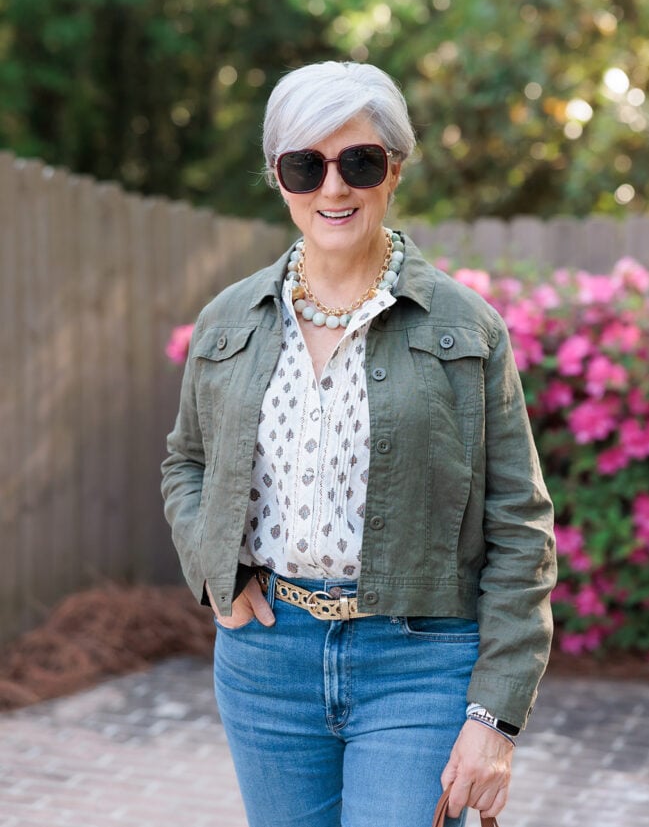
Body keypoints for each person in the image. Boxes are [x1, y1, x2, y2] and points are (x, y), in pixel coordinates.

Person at [161, 61, 556, 827]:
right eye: (306, 165)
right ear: (279, 176)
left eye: (360, 162)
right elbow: (188, 462)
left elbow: (520, 524)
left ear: (395, 171)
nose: (333, 188)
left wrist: (495, 718)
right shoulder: (228, 321)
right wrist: (217, 572)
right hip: (266, 662)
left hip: (421, 661)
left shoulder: (465, 328)